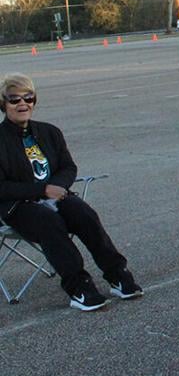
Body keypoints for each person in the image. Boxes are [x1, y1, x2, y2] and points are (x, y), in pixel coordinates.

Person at [0, 73, 143, 311]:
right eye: (14, 99)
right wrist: (43, 189)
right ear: (3, 104)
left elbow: (68, 167)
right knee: (48, 221)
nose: (23, 103)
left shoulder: (50, 132)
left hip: (55, 196)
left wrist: (58, 187)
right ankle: (80, 288)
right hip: (17, 206)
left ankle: (118, 275)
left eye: (29, 97)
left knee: (84, 213)